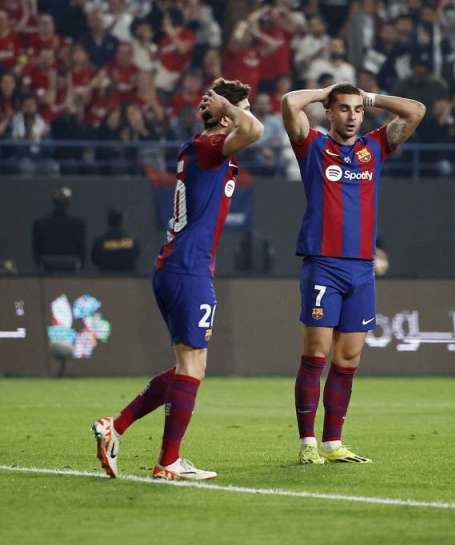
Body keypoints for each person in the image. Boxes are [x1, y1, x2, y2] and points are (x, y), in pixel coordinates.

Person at [91, 78, 263, 481]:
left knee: (188, 366)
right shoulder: (208, 146)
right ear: (227, 116)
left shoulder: (203, 148)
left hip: (178, 266)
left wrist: (225, 107)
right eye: (243, 108)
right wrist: (227, 106)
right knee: (192, 366)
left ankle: (118, 428)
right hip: (188, 268)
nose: (248, 114)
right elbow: (255, 130)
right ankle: (166, 460)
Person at [281, 83, 424, 464]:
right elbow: (290, 102)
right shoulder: (312, 146)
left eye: (357, 110)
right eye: (343, 108)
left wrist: (371, 97)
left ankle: (333, 443)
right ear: (330, 112)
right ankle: (307, 442)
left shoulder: (374, 147)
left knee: (349, 359)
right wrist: (326, 91)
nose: (352, 116)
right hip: (323, 265)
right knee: (316, 354)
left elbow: (416, 111)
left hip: (361, 268)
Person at [32, 186, 86, 272]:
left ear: (54, 202)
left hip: (46, 269)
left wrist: (40, 264)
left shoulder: (40, 224)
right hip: (71, 270)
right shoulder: (78, 224)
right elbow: (82, 250)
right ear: (68, 203)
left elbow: (36, 250)